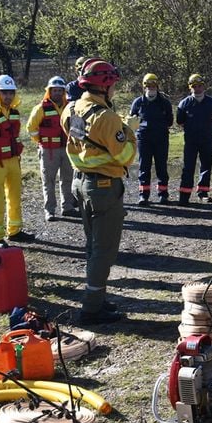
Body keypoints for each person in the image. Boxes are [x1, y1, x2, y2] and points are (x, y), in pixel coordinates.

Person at [62, 60, 136, 325]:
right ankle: (92, 308)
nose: (115, 88)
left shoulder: (71, 108)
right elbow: (125, 156)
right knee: (104, 250)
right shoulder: (106, 117)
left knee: (92, 247)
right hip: (103, 187)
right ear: (104, 86)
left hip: (80, 184)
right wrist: (129, 132)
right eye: (113, 84)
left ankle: (97, 297)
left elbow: (74, 139)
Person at [27, 76, 79, 222]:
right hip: (48, 151)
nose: (57, 93)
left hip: (67, 149)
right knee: (48, 181)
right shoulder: (40, 108)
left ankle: (68, 207)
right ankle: (50, 211)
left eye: (59, 90)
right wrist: (41, 141)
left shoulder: (71, 107)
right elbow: (31, 128)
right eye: (54, 90)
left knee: (67, 179)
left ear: (63, 92)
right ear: (49, 91)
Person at [0, 75, 34, 244]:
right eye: (4, 93)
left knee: (15, 197)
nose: (7, 96)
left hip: (13, 160)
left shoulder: (14, 112)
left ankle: (15, 231)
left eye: (10, 92)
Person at [176, 73, 212, 204]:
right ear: (190, 87)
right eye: (194, 86)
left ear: (204, 86)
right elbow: (180, 122)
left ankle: (203, 193)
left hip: (207, 139)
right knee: (188, 167)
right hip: (190, 141)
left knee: (206, 166)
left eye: (200, 86)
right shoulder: (184, 104)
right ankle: (184, 196)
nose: (197, 89)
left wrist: (207, 126)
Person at [129, 72, 174, 205]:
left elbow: (170, 121)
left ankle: (163, 194)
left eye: (153, 85)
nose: (151, 87)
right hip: (144, 140)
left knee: (161, 167)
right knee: (144, 167)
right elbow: (131, 121)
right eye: (148, 85)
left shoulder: (164, 103)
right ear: (144, 86)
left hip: (161, 139)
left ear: (157, 86)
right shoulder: (138, 103)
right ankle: (144, 195)